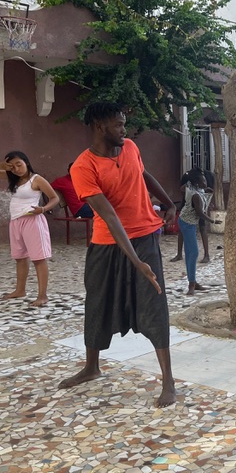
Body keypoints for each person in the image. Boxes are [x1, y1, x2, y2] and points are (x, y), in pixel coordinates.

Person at [57, 102, 177, 408]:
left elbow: (144, 174)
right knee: (97, 303)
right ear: (100, 127)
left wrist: (169, 203)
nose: (125, 130)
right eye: (119, 125)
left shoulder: (131, 148)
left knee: (154, 305)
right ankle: (91, 367)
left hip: (145, 237)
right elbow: (109, 216)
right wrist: (135, 261)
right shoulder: (83, 167)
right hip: (107, 244)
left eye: (124, 123)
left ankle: (168, 380)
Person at [1, 151, 60, 307]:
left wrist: (43, 209)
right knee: (20, 258)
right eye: (12, 167)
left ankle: (42, 295)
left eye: (19, 164)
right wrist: (4, 166)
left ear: (26, 162)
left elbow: (55, 198)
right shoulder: (14, 179)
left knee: (38, 259)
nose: (16, 169)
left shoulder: (36, 179)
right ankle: (20, 290)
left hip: (32, 221)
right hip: (16, 221)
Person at [178, 168, 216, 295]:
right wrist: (212, 221)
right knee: (193, 253)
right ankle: (192, 284)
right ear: (197, 183)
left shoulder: (196, 189)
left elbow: (185, 189)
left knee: (190, 253)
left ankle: (193, 281)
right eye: (203, 181)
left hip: (189, 221)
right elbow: (200, 213)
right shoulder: (195, 195)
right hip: (187, 223)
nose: (206, 182)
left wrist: (206, 191)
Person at [170, 169, 214, 263]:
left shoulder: (203, 180)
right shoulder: (188, 181)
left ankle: (206, 255)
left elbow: (205, 192)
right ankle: (179, 254)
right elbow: (182, 189)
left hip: (198, 206)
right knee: (182, 230)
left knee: (202, 228)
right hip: (188, 206)